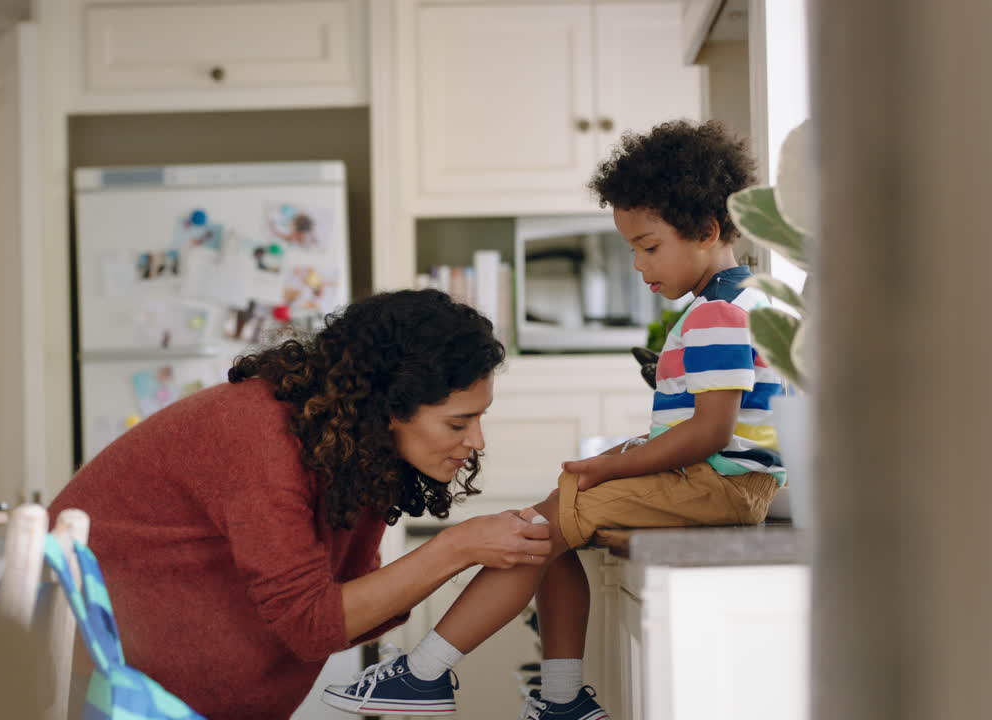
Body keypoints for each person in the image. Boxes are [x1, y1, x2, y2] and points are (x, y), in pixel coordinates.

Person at [322, 120, 785, 719]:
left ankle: (424, 674)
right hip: (721, 483)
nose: (641, 266)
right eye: (632, 250)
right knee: (551, 535)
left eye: (649, 247)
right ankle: (561, 701)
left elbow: (711, 433)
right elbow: (709, 429)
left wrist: (607, 463)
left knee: (530, 533)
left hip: (716, 484)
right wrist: (627, 455)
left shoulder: (717, 314)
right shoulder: (742, 301)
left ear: (707, 230)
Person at [48, 289, 552, 720]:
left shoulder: (357, 454)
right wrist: (455, 548)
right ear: (388, 408)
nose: (477, 442)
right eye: (458, 424)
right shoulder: (257, 436)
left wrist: (462, 553)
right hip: (108, 691)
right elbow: (313, 624)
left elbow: (349, 605)